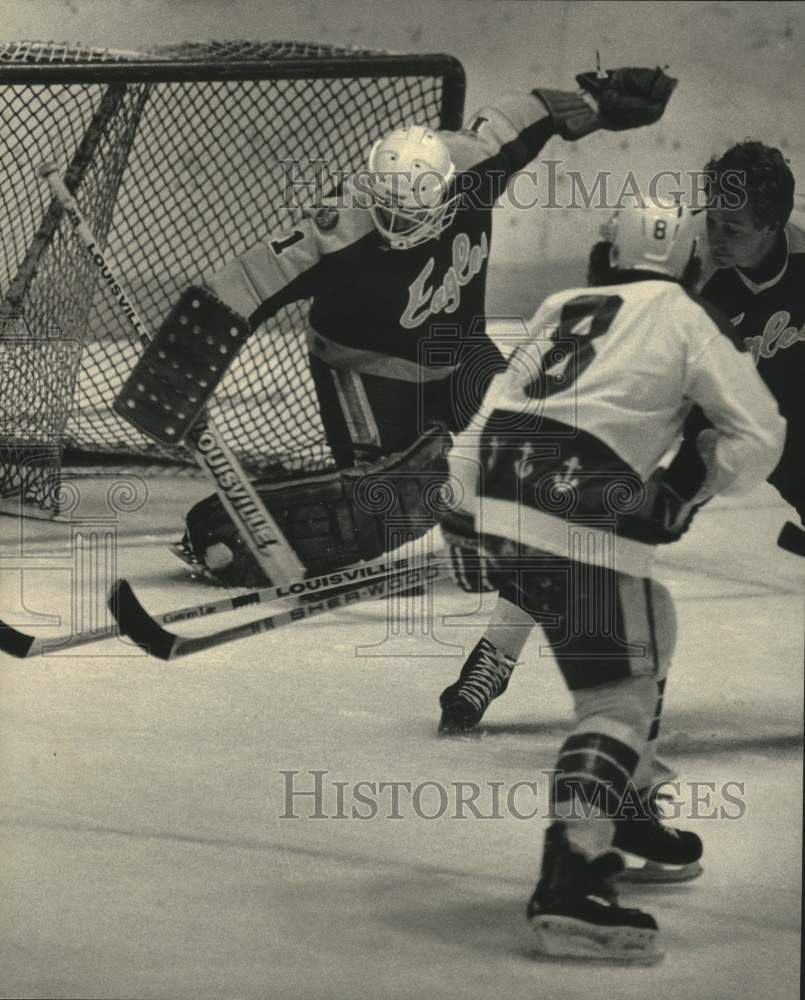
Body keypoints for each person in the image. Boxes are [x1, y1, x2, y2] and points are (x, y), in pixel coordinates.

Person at [166, 66, 679, 586]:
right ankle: (221, 532)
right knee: (393, 497)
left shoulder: (476, 165)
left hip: (461, 351)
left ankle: (498, 534)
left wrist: (593, 103)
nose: (398, 228)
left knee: (527, 439)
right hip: (364, 369)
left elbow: (520, 113)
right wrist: (178, 371)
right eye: (387, 211)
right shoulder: (336, 228)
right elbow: (238, 285)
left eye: (414, 215)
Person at [442, 198, 785, 962]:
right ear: (691, 262)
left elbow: (489, 410)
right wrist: (685, 487)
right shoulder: (685, 313)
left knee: (651, 620)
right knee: (615, 698)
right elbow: (759, 435)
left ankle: (629, 805)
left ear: (602, 257)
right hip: (581, 499)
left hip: (504, 477)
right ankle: (573, 870)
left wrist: (463, 504)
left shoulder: (562, 304)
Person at [663, 141, 804, 552]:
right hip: (710, 408)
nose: (715, 239)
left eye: (733, 228)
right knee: (641, 517)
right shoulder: (685, 257)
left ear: (773, 225)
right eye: (712, 221)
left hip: (792, 405)